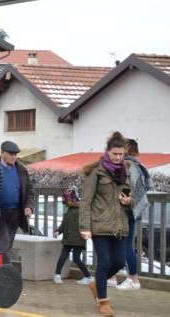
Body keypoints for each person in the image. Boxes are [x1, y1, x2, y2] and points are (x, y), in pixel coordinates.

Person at [80, 132, 133, 317]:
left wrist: (129, 201)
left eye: (121, 154)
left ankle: (97, 284)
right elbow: (85, 201)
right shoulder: (97, 172)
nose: (118, 157)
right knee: (105, 261)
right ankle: (103, 302)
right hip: (100, 225)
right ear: (108, 152)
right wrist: (85, 227)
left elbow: (131, 196)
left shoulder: (126, 171)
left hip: (119, 225)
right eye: (115, 154)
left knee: (119, 261)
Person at [112, 138, 152, 290]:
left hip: (126, 211)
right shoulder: (138, 165)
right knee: (120, 245)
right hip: (132, 211)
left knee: (126, 246)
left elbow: (127, 189)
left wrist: (124, 198)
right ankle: (112, 277)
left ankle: (133, 279)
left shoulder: (129, 166)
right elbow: (144, 188)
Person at [0, 141, 35, 264]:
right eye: (11, 154)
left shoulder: (21, 169)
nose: (13, 157)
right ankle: (8, 272)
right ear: (2, 153)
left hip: (15, 213)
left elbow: (29, 190)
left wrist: (28, 206)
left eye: (15, 154)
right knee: (3, 245)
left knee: (8, 245)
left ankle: (2, 272)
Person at [54, 186, 92, 285]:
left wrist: (59, 231)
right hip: (75, 239)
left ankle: (57, 275)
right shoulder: (71, 211)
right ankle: (88, 276)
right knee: (75, 258)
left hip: (75, 238)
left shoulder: (77, 211)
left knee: (66, 256)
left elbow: (83, 224)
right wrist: (58, 231)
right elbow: (64, 224)